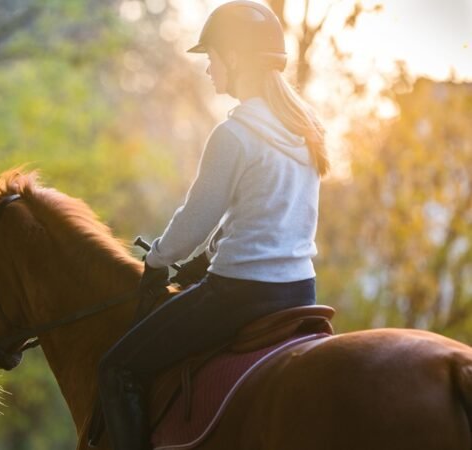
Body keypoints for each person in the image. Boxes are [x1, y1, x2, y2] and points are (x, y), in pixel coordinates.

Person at [96, 1, 330, 449]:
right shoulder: (304, 130)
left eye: (211, 57)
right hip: (301, 290)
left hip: (241, 296)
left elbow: (195, 221)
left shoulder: (235, 134)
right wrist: (205, 260)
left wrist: (160, 259)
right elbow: (265, 216)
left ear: (236, 58)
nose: (207, 69)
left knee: (116, 368)